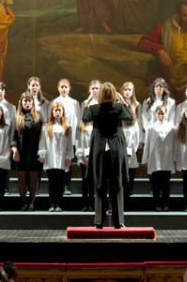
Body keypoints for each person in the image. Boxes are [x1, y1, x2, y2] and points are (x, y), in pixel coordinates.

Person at [82, 82, 133, 227]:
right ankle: (118, 222)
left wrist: (90, 100)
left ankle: (99, 221)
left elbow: (85, 118)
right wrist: (122, 101)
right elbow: (129, 117)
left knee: (100, 185)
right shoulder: (118, 107)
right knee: (117, 185)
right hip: (116, 149)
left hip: (100, 149)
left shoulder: (94, 108)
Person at [38, 102, 73, 212]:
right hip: (50, 157)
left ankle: (58, 204)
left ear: (62, 112)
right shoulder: (46, 126)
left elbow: (69, 144)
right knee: (52, 182)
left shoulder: (67, 127)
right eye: (55, 110)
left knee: (60, 182)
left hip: (62, 158)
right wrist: (42, 155)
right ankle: (52, 204)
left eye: (59, 110)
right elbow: (42, 142)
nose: (57, 113)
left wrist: (68, 157)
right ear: (52, 112)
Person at [11, 92, 43, 211]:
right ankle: (24, 202)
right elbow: (12, 136)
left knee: (33, 177)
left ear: (32, 103)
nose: (27, 103)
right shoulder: (16, 118)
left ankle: (32, 202)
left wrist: (42, 153)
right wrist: (14, 150)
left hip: (35, 153)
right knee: (22, 178)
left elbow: (42, 137)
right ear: (21, 102)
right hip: (20, 153)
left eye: (29, 101)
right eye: (25, 101)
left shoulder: (38, 117)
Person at [142, 105, 176, 211]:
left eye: (163, 113)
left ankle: (165, 204)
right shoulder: (151, 128)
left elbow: (175, 144)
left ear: (166, 114)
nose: (161, 115)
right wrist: (145, 159)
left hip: (167, 158)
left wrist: (175, 158)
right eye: (159, 113)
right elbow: (147, 144)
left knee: (166, 184)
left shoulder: (172, 127)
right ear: (156, 114)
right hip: (154, 158)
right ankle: (156, 204)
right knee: (156, 184)